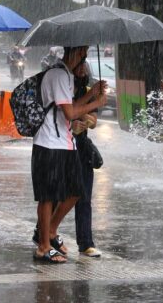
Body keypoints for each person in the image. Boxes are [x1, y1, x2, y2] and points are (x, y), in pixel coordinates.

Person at [31, 46, 106, 263]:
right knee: (48, 196)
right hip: (49, 143)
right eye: (83, 53)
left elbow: (72, 106)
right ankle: (43, 247)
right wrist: (97, 102)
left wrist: (92, 94)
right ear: (75, 53)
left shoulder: (67, 76)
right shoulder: (58, 74)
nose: (84, 59)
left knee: (76, 191)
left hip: (65, 143)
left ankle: (51, 231)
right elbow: (70, 112)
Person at [71, 61, 103, 258]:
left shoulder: (88, 89)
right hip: (62, 147)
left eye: (84, 66)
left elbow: (93, 122)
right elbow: (66, 113)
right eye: (79, 65)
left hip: (81, 148)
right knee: (59, 197)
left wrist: (86, 119)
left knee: (84, 197)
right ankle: (43, 234)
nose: (82, 69)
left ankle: (85, 243)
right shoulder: (64, 88)